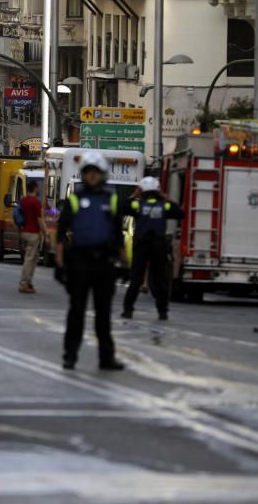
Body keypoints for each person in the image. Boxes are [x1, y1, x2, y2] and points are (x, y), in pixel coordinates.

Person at [56, 150, 126, 371]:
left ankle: (107, 358)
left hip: (104, 263)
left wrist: (124, 265)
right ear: (83, 174)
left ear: (102, 173)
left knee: (103, 314)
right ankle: (70, 356)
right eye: (89, 172)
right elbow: (60, 234)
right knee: (76, 312)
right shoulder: (75, 199)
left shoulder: (111, 199)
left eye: (96, 172)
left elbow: (118, 235)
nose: (92, 176)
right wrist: (59, 265)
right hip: (80, 263)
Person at [121, 176, 183, 320]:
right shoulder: (164, 206)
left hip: (141, 245)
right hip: (158, 246)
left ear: (141, 190)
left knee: (136, 280)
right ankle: (163, 312)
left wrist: (134, 195)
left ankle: (128, 310)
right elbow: (180, 212)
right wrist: (166, 198)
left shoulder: (138, 205)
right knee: (160, 280)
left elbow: (122, 207)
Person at [19, 179, 46, 294]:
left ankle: (28, 282)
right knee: (29, 259)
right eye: (38, 187)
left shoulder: (23, 201)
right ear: (35, 188)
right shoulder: (36, 202)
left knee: (33, 258)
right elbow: (40, 220)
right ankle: (24, 284)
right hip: (33, 233)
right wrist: (46, 233)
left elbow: (18, 216)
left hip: (24, 232)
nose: (39, 189)